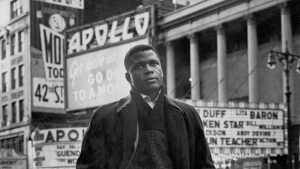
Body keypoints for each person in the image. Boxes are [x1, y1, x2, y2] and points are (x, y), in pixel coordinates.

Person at [76, 44, 215, 169]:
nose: (149, 70)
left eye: (154, 63)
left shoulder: (188, 114)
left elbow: (204, 165)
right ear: (128, 78)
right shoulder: (104, 116)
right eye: (139, 66)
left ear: (162, 70)